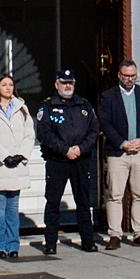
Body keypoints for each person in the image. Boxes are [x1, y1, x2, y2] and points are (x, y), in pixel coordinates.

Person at [36, 69, 99, 253]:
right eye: (64, 83)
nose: (67, 86)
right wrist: (65, 150)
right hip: (58, 161)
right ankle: (50, 244)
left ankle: (88, 241)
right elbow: (45, 134)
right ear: (56, 85)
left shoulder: (84, 105)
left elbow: (94, 130)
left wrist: (80, 148)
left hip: (81, 160)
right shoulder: (47, 106)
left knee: (83, 202)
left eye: (70, 82)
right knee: (53, 202)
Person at [97, 60, 140, 249]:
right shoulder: (108, 96)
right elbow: (104, 122)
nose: (130, 79)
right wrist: (122, 143)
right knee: (115, 195)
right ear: (119, 75)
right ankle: (115, 234)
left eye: (133, 76)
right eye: (126, 75)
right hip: (118, 153)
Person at [0, 74, 35, 257]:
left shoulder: (22, 109)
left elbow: (29, 134)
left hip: (17, 165)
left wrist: (21, 155)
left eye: (11, 84)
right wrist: (4, 157)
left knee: (13, 207)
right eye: (4, 84)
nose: (8, 88)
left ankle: (13, 245)